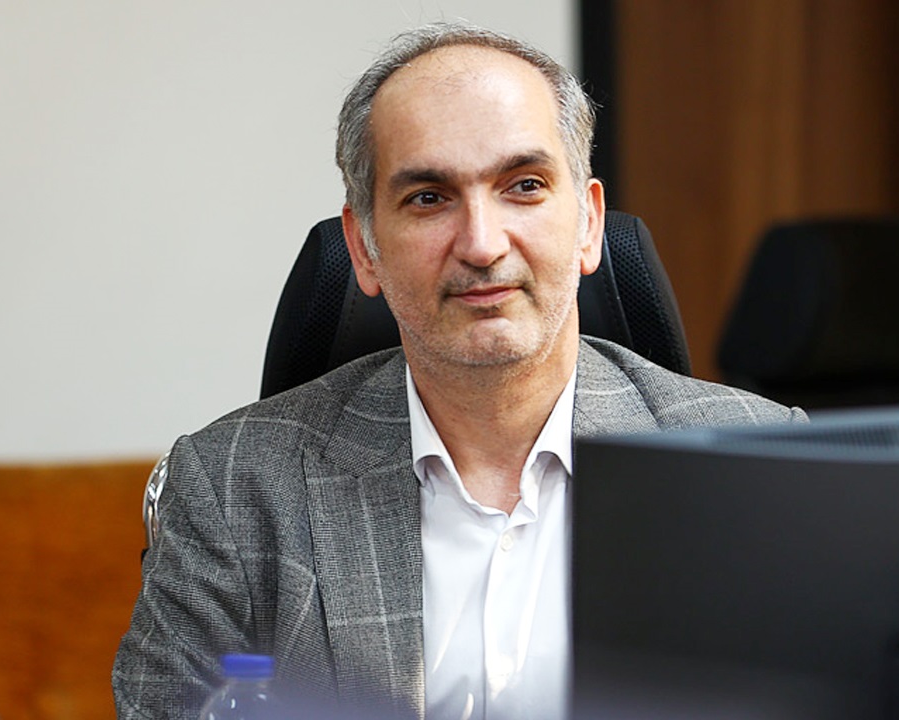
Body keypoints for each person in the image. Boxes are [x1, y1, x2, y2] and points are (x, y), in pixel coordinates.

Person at [112, 21, 806, 720]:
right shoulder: (233, 488)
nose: (481, 244)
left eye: (524, 185)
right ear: (364, 249)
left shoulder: (762, 467)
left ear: (589, 224)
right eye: (429, 197)